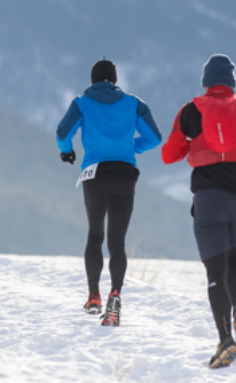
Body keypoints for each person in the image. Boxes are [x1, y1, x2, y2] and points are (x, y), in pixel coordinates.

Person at [162, 54, 236, 369]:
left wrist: (190, 146)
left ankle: (225, 338)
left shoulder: (189, 111)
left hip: (209, 199)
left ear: (206, 82)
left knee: (215, 272)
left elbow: (169, 155)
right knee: (235, 259)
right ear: (231, 82)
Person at [56, 58, 163, 326]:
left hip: (94, 175)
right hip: (125, 176)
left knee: (95, 234)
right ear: (115, 80)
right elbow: (154, 137)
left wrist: (68, 150)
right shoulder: (134, 104)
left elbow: (62, 132)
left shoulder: (82, 103)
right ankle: (116, 292)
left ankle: (94, 295)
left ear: (93, 80)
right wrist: (129, 148)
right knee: (117, 242)